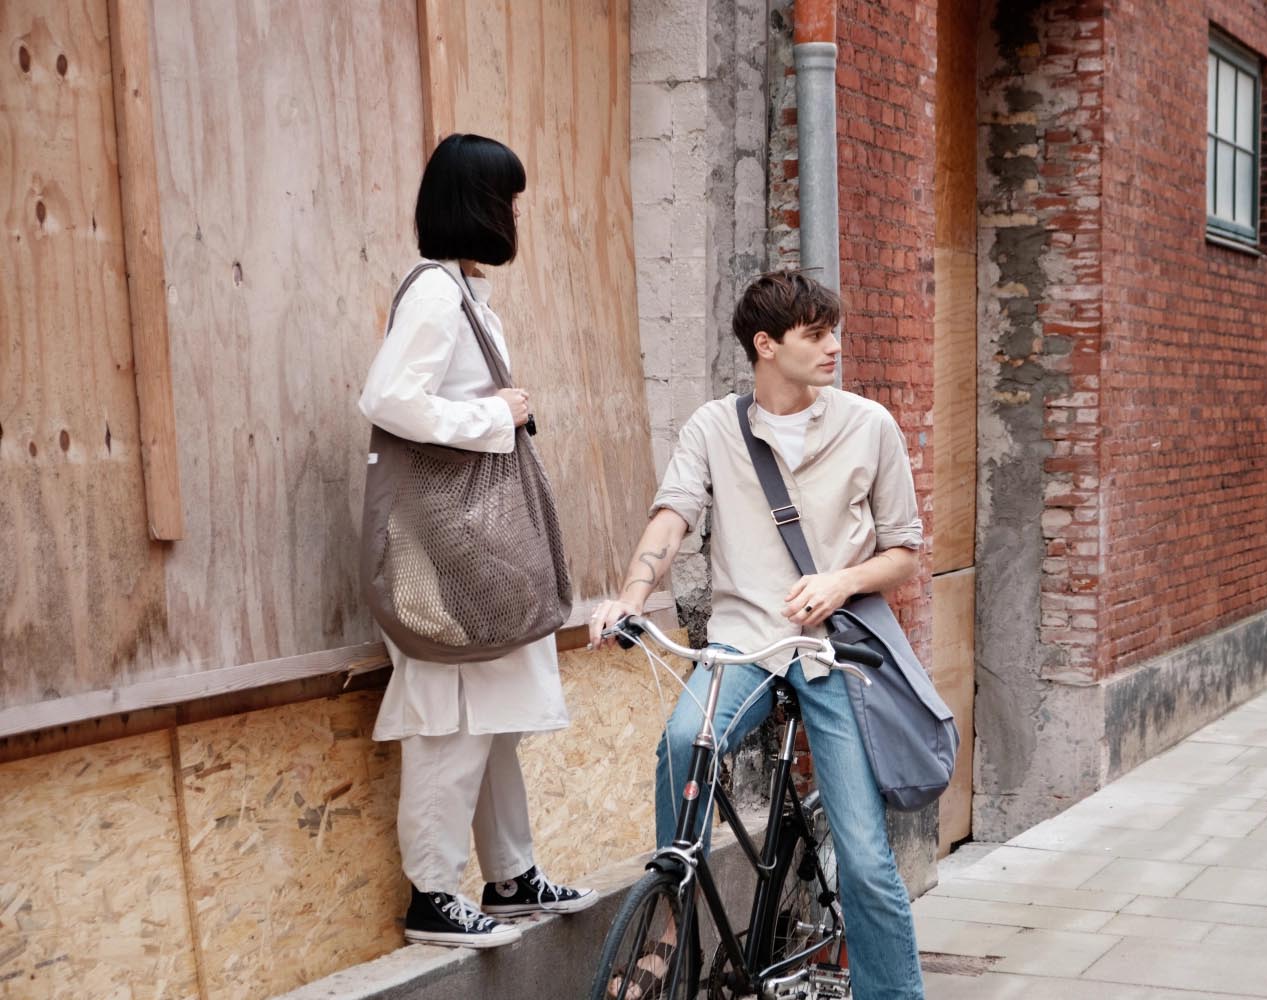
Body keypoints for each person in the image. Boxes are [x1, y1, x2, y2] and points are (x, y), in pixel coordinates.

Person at [589, 272, 925, 999]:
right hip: (743, 640)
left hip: (832, 650)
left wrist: (839, 582)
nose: (834, 347)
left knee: (866, 862)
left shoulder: (869, 426)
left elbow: (903, 551)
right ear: (766, 345)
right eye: (816, 335)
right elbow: (674, 515)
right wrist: (631, 597)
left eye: (833, 332)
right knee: (684, 740)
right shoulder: (714, 427)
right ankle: (670, 921)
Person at [360, 133, 596, 948]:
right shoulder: (434, 292)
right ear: (480, 204)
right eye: (508, 199)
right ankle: (433, 895)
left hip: (460, 537)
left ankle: (511, 875)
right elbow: (388, 399)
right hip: (441, 545)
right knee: (451, 720)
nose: (515, 214)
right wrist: (496, 416)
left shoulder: (461, 292)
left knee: (488, 714)